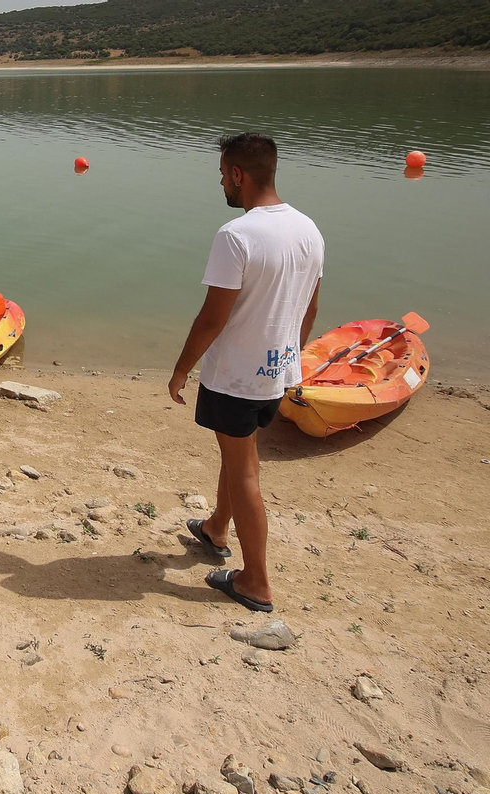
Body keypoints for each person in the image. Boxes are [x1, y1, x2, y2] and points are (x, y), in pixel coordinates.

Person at [167, 132, 323, 614]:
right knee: (238, 454)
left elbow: (212, 318)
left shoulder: (236, 235)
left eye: (221, 175)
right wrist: (288, 358)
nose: (221, 185)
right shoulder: (309, 230)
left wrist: (180, 371)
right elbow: (310, 308)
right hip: (274, 373)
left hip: (235, 377)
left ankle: (256, 580)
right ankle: (216, 527)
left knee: (245, 470)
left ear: (239, 174)